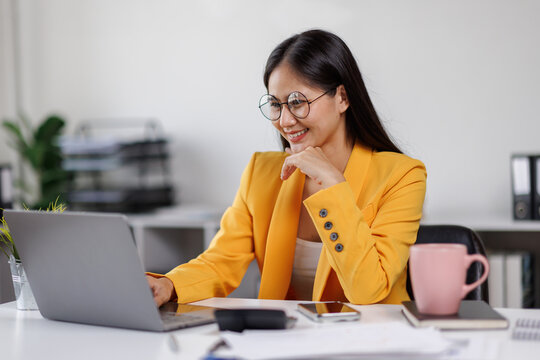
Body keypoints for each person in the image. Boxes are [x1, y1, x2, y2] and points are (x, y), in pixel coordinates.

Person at [146, 29, 427, 306]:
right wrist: (169, 285)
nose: (285, 120)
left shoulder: (402, 176)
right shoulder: (261, 171)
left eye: (297, 102)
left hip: (374, 341)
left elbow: (369, 291)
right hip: (288, 339)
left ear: (342, 98)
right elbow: (222, 261)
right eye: (275, 104)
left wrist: (333, 186)